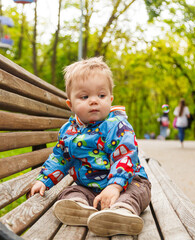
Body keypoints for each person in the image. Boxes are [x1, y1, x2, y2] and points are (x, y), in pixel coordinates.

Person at [29, 57, 151, 237]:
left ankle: (122, 213)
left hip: (127, 181)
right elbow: (60, 158)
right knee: (70, 191)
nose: (94, 101)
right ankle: (78, 208)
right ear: (70, 104)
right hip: (89, 188)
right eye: (84, 97)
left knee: (136, 192)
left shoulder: (117, 125)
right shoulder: (69, 132)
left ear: (110, 99)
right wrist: (44, 179)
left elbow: (124, 157)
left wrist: (115, 186)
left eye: (101, 96)